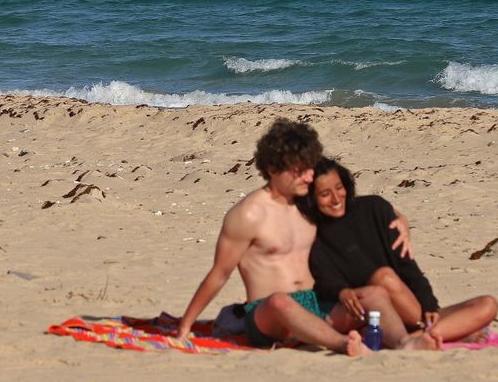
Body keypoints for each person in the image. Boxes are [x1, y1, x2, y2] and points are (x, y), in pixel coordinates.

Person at [174, 119, 436, 355]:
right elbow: (219, 273)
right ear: (273, 168)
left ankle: (404, 342)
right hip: (268, 316)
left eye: (310, 168)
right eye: (300, 171)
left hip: (317, 305)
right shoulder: (248, 215)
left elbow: (357, 206)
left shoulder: (306, 204)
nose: (310, 177)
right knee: (280, 301)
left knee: (375, 294)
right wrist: (186, 325)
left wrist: (401, 218)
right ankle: (343, 344)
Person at [304, 158, 498, 344]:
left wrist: (429, 303)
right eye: (325, 194)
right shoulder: (314, 232)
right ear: (311, 198)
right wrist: (341, 291)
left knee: (488, 304)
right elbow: (325, 278)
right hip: (375, 313)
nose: (336, 198)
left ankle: (424, 334)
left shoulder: (374, 208)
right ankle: (448, 332)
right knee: (384, 277)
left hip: (411, 307)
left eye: (339, 188)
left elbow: (406, 264)